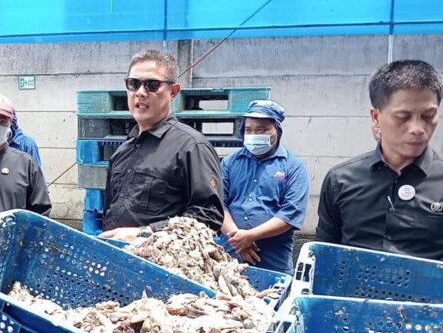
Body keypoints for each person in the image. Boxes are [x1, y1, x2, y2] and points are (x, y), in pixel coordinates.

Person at [317, 59, 443, 260]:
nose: (418, 129)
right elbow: (324, 254)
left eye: (428, 116)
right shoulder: (340, 180)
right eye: (403, 117)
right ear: (376, 117)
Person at [100, 49, 224, 242]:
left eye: (152, 85)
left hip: (162, 265)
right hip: (117, 261)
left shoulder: (191, 147)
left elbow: (208, 217)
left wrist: (145, 233)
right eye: (133, 84)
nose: (140, 93)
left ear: (173, 91)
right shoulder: (122, 152)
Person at [216, 100, 310, 274]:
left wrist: (251, 236)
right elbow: (219, 203)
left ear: (277, 130)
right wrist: (238, 238)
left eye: (261, 130)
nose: (253, 134)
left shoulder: (293, 167)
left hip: (272, 259)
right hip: (229, 252)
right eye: (248, 130)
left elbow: (290, 214)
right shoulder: (229, 163)